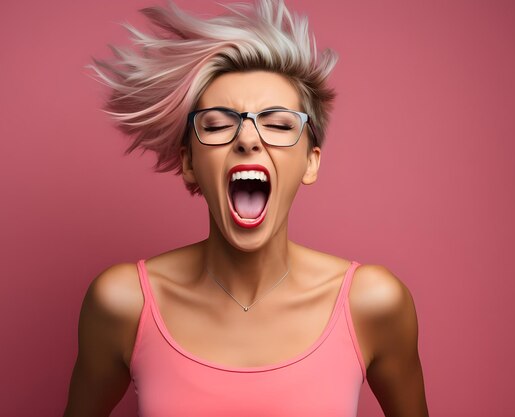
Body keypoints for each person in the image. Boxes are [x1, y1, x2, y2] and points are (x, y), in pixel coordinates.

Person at [64, 0, 429, 416]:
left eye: (278, 124)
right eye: (218, 125)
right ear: (188, 163)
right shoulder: (124, 301)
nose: (248, 139)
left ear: (311, 162)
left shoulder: (373, 302)